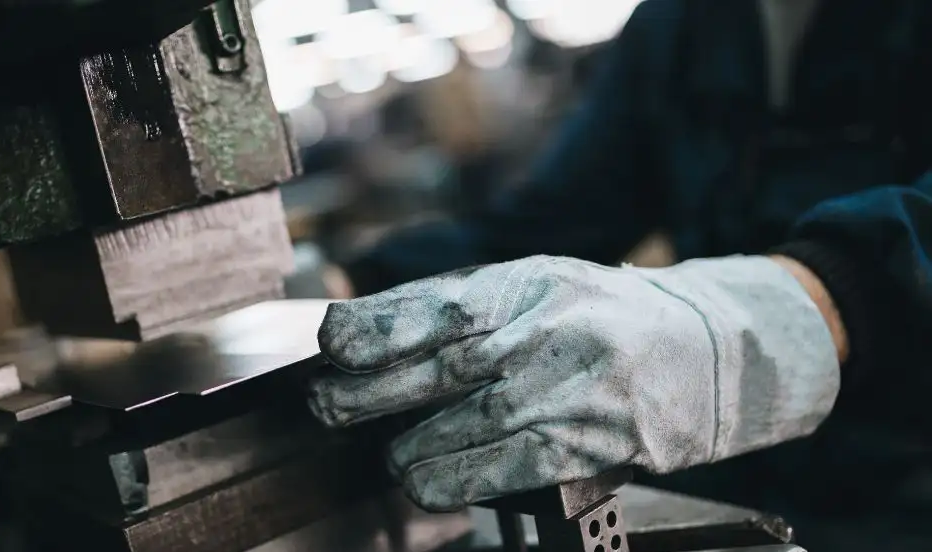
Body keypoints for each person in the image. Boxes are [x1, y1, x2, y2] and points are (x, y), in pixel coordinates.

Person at [312, 170, 932, 552]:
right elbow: (549, 216)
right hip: (720, 479)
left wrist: (771, 316)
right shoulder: (680, 29)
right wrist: (342, 283)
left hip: (906, 510)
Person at [337, 0, 932, 296]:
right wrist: (355, 280)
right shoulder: (675, 27)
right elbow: (555, 225)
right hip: (745, 456)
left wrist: (823, 294)